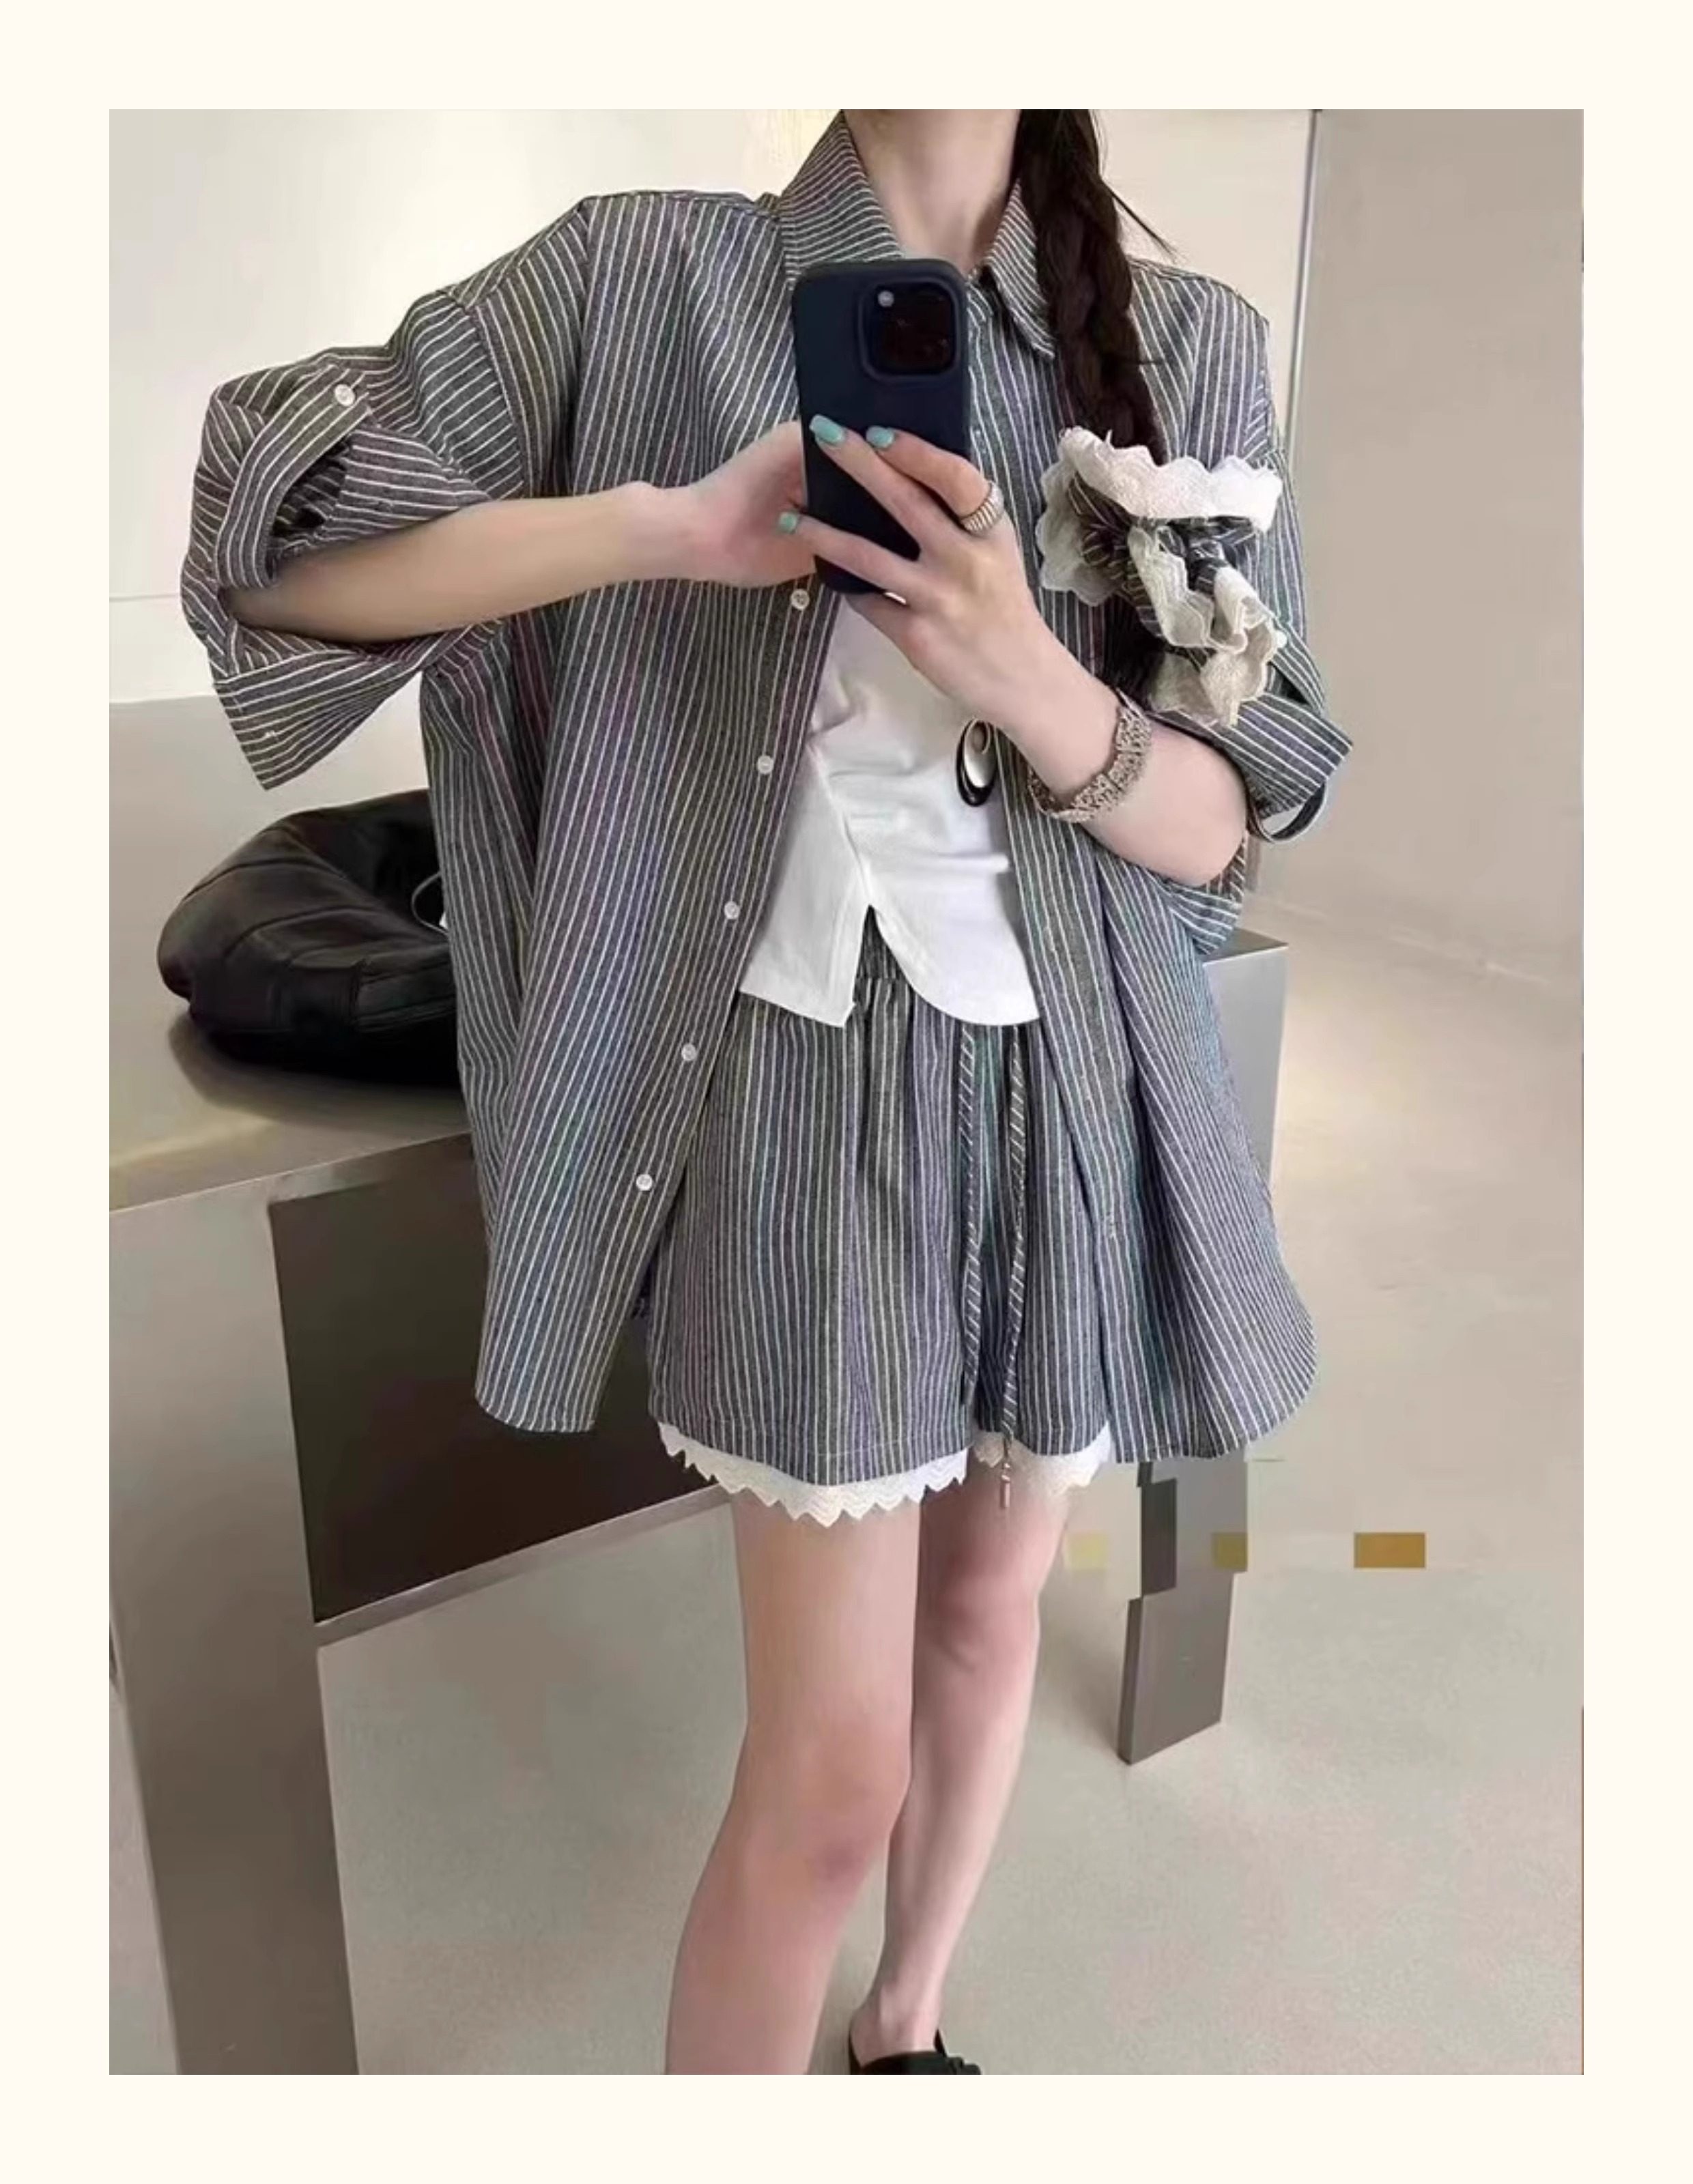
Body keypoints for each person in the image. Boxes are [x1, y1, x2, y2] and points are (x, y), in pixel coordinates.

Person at [183, 109, 1348, 2075]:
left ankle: (905, 2028)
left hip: (1074, 1082)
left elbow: (1237, 816)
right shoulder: (642, 276)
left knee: (990, 1618)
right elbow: (280, 557)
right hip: (804, 1099)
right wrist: (669, 529)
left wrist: (1022, 670)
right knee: (828, 1776)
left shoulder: (1190, 341)